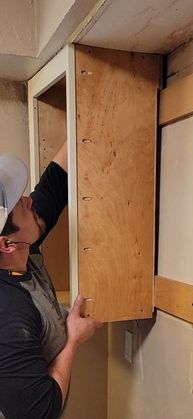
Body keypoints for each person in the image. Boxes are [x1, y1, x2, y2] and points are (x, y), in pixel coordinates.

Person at [0, 144, 102, 419]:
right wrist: (73, 340)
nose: (29, 200)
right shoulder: (10, 313)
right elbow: (39, 413)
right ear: (6, 244)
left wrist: (83, 118)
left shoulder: (23, 246)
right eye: (20, 207)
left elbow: (54, 185)